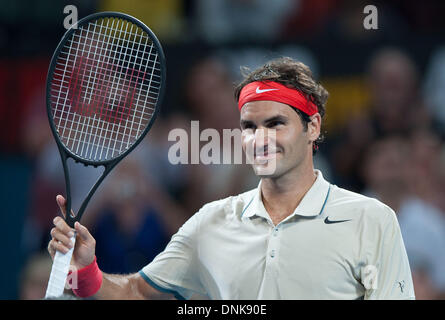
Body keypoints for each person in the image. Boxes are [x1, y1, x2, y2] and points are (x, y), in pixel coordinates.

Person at [48, 57, 415, 300]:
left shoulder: (372, 220)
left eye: (276, 124)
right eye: (250, 127)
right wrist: (85, 272)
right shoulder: (211, 221)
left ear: (313, 126)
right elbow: (137, 292)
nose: (260, 139)